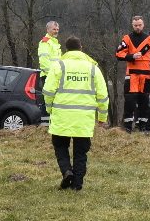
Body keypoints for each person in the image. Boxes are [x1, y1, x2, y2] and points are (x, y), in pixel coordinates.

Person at [43, 36, 108, 191]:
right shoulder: (93, 68)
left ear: (66, 49)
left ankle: (67, 171)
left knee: (60, 147)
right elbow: (103, 95)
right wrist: (102, 117)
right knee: (80, 152)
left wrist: (49, 109)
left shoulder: (59, 65)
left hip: (62, 116)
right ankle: (77, 184)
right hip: (84, 119)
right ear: (81, 48)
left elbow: (48, 91)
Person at [115, 15, 150, 132]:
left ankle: (143, 126)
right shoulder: (127, 38)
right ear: (132, 25)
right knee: (130, 101)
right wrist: (131, 56)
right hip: (132, 75)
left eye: (139, 25)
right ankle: (128, 127)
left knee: (144, 101)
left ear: (143, 24)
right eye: (135, 25)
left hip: (146, 75)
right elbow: (118, 53)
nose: (138, 27)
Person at [37, 21, 62, 123]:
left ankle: (51, 122)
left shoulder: (55, 43)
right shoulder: (45, 42)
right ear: (48, 30)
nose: (56, 31)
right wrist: (52, 74)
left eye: (57, 29)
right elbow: (44, 61)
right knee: (47, 100)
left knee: (54, 100)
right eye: (53, 29)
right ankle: (44, 124)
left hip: (55, 76)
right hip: (48, 76)